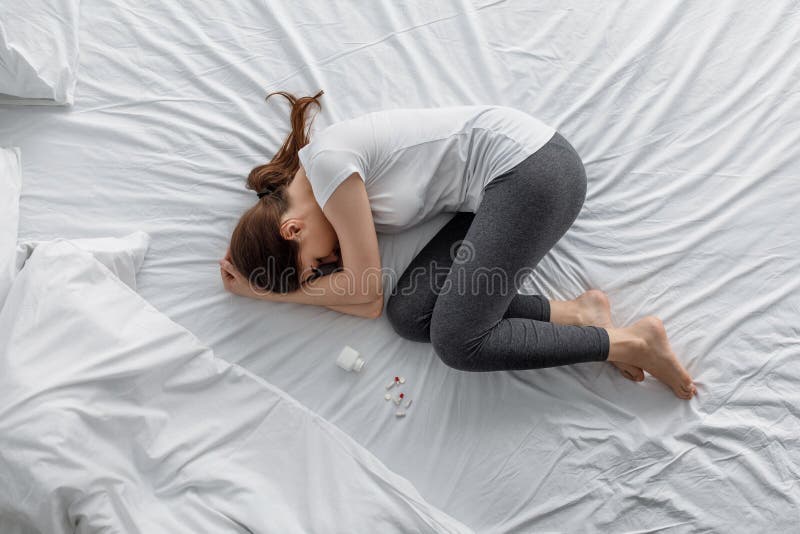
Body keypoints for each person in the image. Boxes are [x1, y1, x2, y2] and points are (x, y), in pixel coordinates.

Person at [219, 90, 697, 400]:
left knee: (459, 342)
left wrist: (268, 292)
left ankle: (630, 342)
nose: (332, 263)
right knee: (409, 315)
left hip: (533, 172)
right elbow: (373, 304)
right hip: (489, 197)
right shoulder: (323, 183)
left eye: (317, 264)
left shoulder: (327, 169)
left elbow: (363, 294)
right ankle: (578, 314)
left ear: (292, 231)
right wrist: (280, 286)